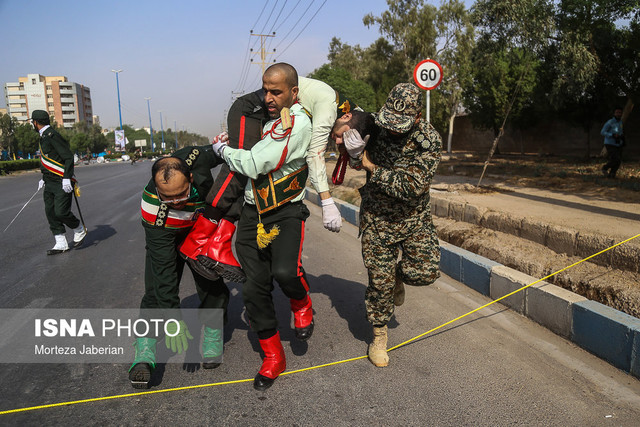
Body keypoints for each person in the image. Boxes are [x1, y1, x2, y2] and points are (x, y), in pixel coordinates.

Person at [209, 63, 314, 391]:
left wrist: (223, 151)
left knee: (285, 272)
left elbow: (255, 162)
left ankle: (301, 302)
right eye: (265, 90)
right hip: (253, 215)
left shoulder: (297, 122)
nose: (268, 97)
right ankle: (273, 357)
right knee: (254, 290)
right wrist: (234, 142)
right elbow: (250, 145)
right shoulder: (264, 120)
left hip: (285, 212)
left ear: (293, 92)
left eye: (276, 91)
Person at [179, 76, 342, 283]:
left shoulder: (314, 105)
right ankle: (196, 241)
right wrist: (326, 200)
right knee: (240, 170)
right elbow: (316, 151)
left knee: (249, 179)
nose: (339, 141)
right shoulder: (327, 105)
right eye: (343, 136)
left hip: (258, 117)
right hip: (248, 112)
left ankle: (219, 242)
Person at [334, 83, 442, 368]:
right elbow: (352, 154)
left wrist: (369, 165)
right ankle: (379, 337)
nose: (392, 130)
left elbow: (411, 187)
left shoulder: (428, 140)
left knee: (425, 273)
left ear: (417, 117)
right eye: (389, 123)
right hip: (377, 219)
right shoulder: (376, 126)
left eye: (400, 125)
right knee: (379, 285)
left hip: (413, 218)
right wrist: (354, 155)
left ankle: (398, 276)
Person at [128, 146, 230, 389]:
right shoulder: (154, 209)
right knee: (155, 290)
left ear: (191, 178)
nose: (176, 202)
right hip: (166, 236)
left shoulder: (196, 158)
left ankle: (214, 334)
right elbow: (164, 274)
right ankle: (145, 350)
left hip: (201, 228)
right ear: (156, 187)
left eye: (181, 194)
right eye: (169, 197)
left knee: (210, 281)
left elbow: (224, 154)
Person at [31, 110, 86, 255]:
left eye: (33, 122)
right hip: (49, 181)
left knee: (61, 212)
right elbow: (51, 159)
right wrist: (44, 177)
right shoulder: (43, 136)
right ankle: (61, 242)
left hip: (61, 181)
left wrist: (67, 177)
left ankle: (79, 228)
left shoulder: (52, 135)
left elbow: (68, 157)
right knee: (50, 212)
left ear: (36, 123)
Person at [601, 107, 625, 179]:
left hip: (618, 143)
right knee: (616, 159)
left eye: (620, 112)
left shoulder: (620, 122)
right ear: (614, 113)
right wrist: (612, 135)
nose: (618, 114)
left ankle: (612, 174)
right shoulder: (610, 122)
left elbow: (620, 132)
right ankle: (605, 168)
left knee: (618, 160)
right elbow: (602, 132)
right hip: (610, 143)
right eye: (617, 112)